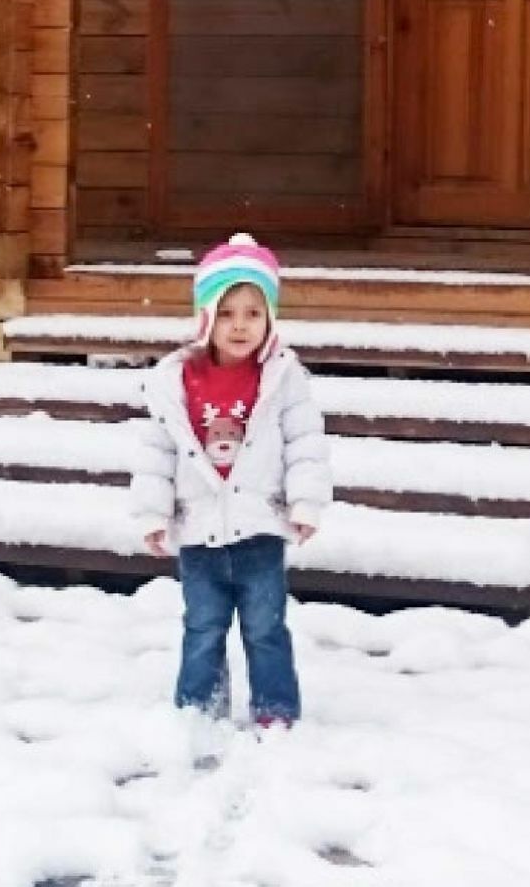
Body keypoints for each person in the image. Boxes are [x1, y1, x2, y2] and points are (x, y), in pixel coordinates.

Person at [130, 234, 331, 729]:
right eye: (227, 313)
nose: (240, 325)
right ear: (205, 318)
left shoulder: (283, 378)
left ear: (270, 320)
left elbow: (306, 444)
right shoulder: (176, 381)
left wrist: (305, 504)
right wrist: (153, 512)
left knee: (265, 628)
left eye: (252, 313)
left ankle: (275, 711)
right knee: (202, 628)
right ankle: (199, 711)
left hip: (260, 528)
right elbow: (156, 453)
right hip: (199, 531)